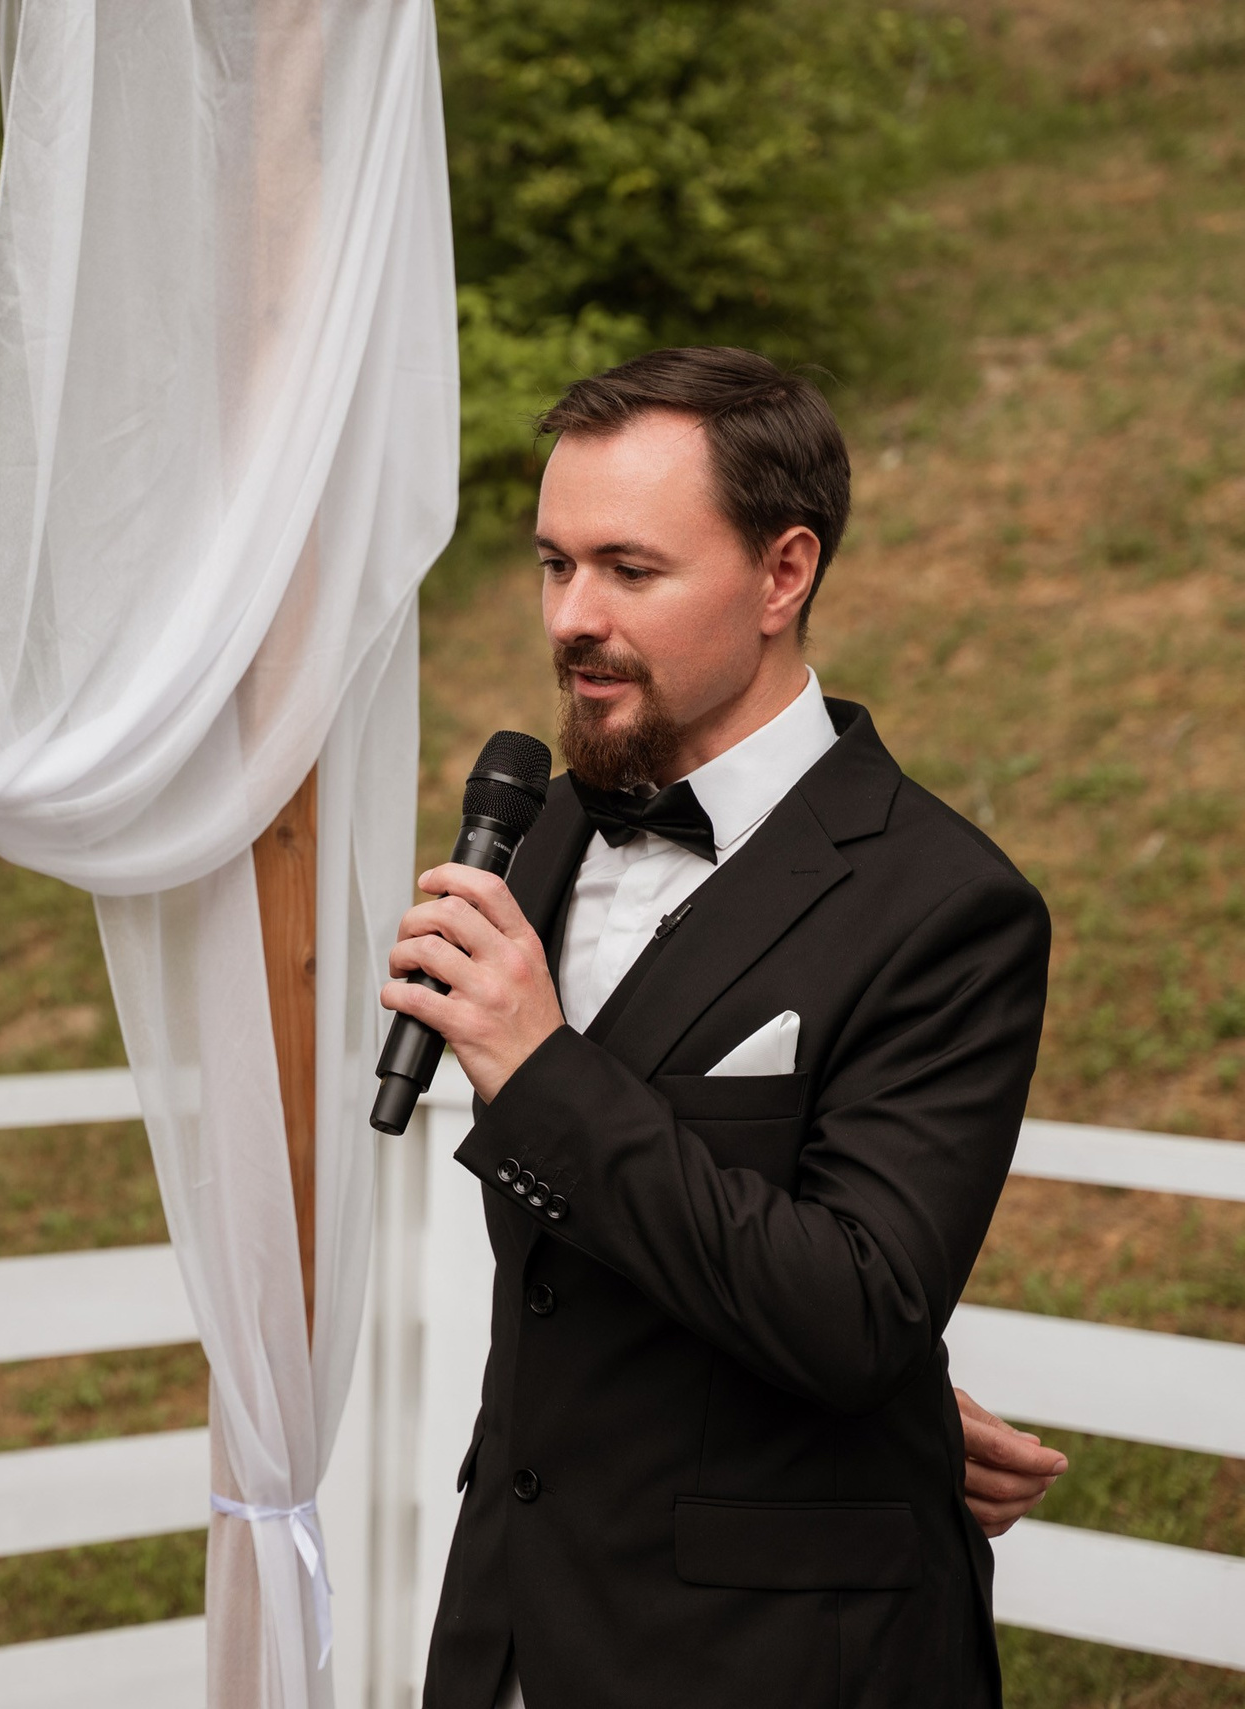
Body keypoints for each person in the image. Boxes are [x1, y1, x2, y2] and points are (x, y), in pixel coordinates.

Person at [379, 348, 1064, 1709]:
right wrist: (903, 1419)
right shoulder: (544, 826)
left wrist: (541, 1068)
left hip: (775, 1661)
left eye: (630, 570)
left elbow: (858, 1305)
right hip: (510, 1623)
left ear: (782, 573)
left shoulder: (948, 905)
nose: (572, 614)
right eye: (553, 563)